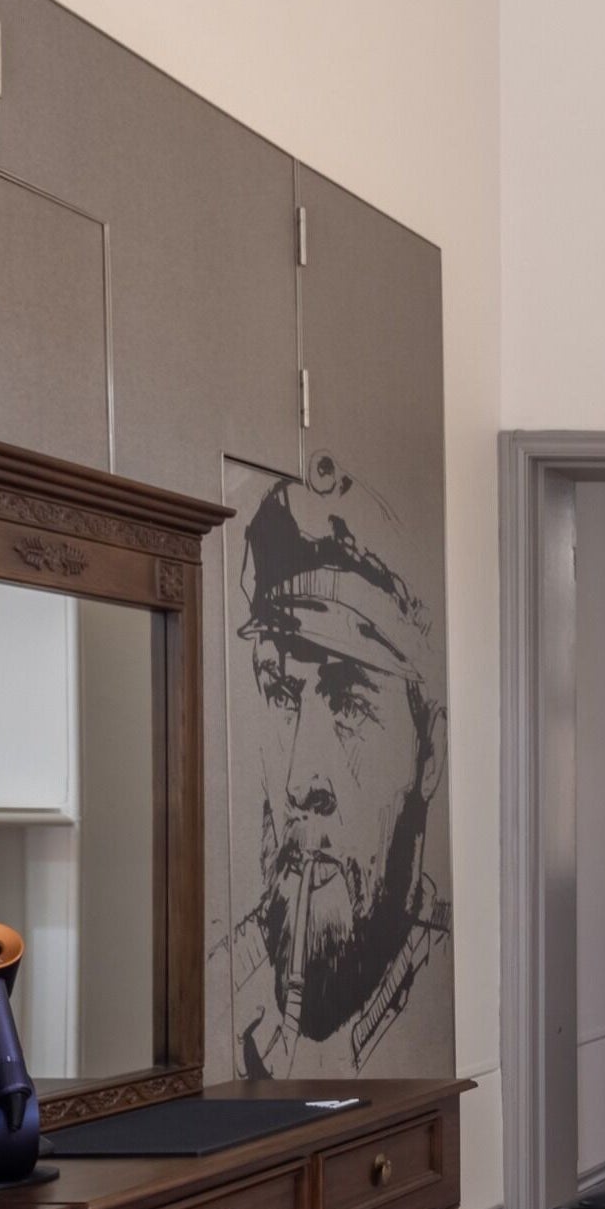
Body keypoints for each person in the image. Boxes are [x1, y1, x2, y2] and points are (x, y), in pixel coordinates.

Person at [228, 456, 449, 1076]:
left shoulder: (448, 983)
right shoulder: (222, 984)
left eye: (350, 702)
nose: (301, 782)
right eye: (281, 693)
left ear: (428, 752)